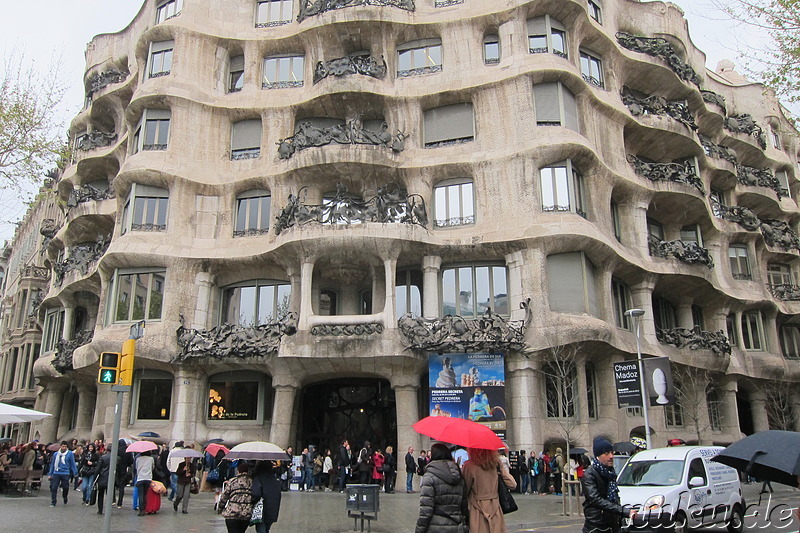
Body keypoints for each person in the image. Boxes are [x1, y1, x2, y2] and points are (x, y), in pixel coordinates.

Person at [582, 437, 636, 533]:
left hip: (612, 524)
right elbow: (596, 499)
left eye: (612, 453)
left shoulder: (610, 472)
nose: (611, 456)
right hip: (596, 525)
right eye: (607, 454)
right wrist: (624, 511)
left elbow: (615, 497)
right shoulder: (589, 474)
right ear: (598, 456)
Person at [415, 443, 468, 533]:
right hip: (457, 526)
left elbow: (426, 510)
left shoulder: (429, 476)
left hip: (436, 526)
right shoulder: (459, 476)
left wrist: (419, 530)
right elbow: (464, 506)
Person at [462, 446, 516, 533]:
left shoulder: (469, 466)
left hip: (477, 510)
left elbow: (465, 491)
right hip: (495, 509)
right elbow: (512, 484)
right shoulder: (496, 463)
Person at [219, 461, 254, 533]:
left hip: (232, 513)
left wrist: (221, 507)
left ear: (238, 471)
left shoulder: (233, 481)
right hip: (245, 514)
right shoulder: (252, 482)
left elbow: (224, 496)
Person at [251, 460, 282, 533]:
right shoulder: (274, 478)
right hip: (273, 509)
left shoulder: (258, 478)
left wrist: (252, 501)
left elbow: (256, 493)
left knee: (261, 529)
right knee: (266, 529)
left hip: (262, 510)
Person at [48, 441, 78, 507]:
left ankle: (65, 496)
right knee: (54, 487)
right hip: (56, 472)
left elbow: (72, 463)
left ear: (67, 447)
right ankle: (53, 501)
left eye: (65, 446)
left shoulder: (70, 454)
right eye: (62, 446)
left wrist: (75, 472)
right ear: (60, 446)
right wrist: (50, 473)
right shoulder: (56, 454)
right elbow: (52, 464)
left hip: (65, 473)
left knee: (65, 487)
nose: (64, 448)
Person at [135, 450, 154, 516]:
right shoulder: (151, 459)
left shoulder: (138, 459)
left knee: (140, 495)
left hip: (140, 478)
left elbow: (136, 468)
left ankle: (141, 510)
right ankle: (144, 508)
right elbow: (152, 467)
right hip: (148, 478)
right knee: (145, 494)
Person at [94, 444, 112, 515]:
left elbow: (98, 469)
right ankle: (108, 510)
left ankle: (100, 509)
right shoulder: (116, 458)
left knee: (100, 494)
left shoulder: (102, 457)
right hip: (110, 478)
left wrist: (95, 478)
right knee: (109, 495)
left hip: (102, 477)